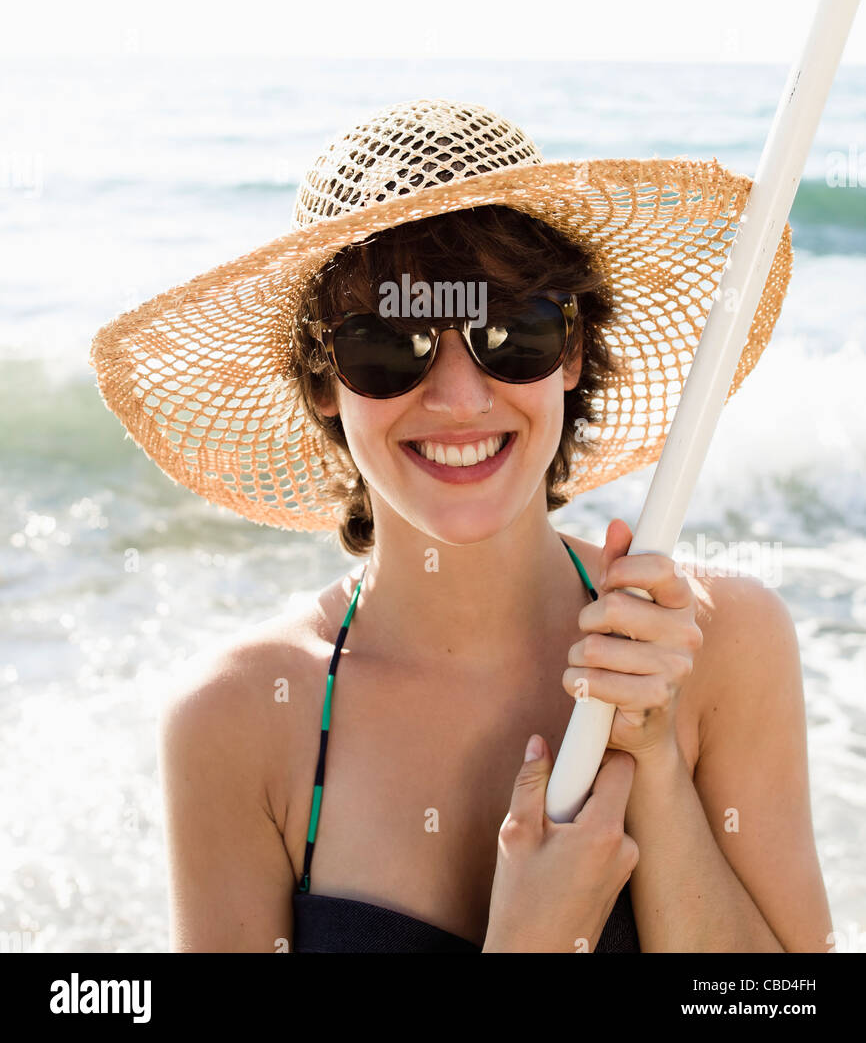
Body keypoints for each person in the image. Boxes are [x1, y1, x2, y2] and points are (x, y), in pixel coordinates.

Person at [90, 98, 832, 952]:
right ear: (324, 383)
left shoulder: (717, 645)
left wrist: (655, 764)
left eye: (511, 331)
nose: (459, 399)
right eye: (389, 344)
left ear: (573, 353)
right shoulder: (235, 721)